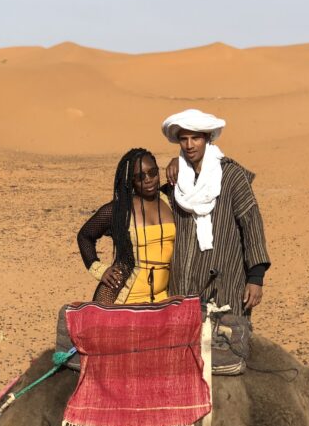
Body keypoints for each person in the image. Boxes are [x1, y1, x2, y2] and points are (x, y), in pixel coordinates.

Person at [161, 109, 270, 316]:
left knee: (227, 334)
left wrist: (256, 278)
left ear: (207, 138)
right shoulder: (177, 181)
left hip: (225, 284)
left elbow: (251, 224)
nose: (189, 145)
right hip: (183, 284)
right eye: (184, 139)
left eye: (195, 138)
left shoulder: (230, 176)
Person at [77, 148, 175, 304]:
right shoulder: (119, 210)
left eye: (153, 172)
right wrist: (99, 269)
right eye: (140, 177)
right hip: (122, 298)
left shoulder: (169, 199)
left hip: (162, 297)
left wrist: (178, 161)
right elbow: (85, 236)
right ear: (131, 181)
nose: (148, 180)